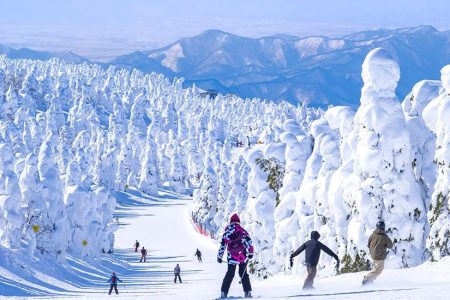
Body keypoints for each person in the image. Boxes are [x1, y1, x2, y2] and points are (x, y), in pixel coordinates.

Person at [217, 213, 254, 299]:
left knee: (230, 274)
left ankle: (224, 292)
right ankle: (248, 292)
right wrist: (250, 252)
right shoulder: (242, 230)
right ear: (238, 222)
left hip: (231, 257)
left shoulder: (227, 232)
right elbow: (249, 242)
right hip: (242, 256)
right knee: (243, 273)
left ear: (231, 222)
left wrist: (219, 256)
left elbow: (223, 245)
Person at [362, 221, 393, 285]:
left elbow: (368, 244)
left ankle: (370, 281)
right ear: (383, 227)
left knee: (375, 269)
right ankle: (367, 279)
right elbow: (390, 246)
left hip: (373, 255)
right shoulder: (384, 236)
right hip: (380, 256)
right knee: (378, 271)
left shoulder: (373, 235)